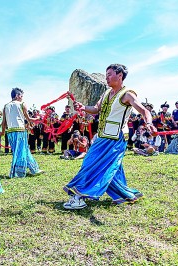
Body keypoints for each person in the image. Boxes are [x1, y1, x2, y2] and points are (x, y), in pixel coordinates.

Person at [63, 64, 156, 209]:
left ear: (120, 76)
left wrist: (149, 123)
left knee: (90, 163)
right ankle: (123, 194)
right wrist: (83, 107)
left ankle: (79, 196)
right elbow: (96, 109)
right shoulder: (106, 93)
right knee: (109, 167)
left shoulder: (127, 94)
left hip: (116, 139)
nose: (106, 77)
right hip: (102, 136)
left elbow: (144, 111)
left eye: (109, 74)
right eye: (106, 75)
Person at [1, 87, 43, 178]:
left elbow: (3, 122)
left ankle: (34, 169)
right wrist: (38, 119)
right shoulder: (22, 104)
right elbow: (29, 119)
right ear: (17, 96)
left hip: (10, 132)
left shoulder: (5, 106)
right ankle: (18, 173)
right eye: (21, 96)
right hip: (20, 131)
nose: (22, 97)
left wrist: (2, 132)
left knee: (22, 150)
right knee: (21, 151)